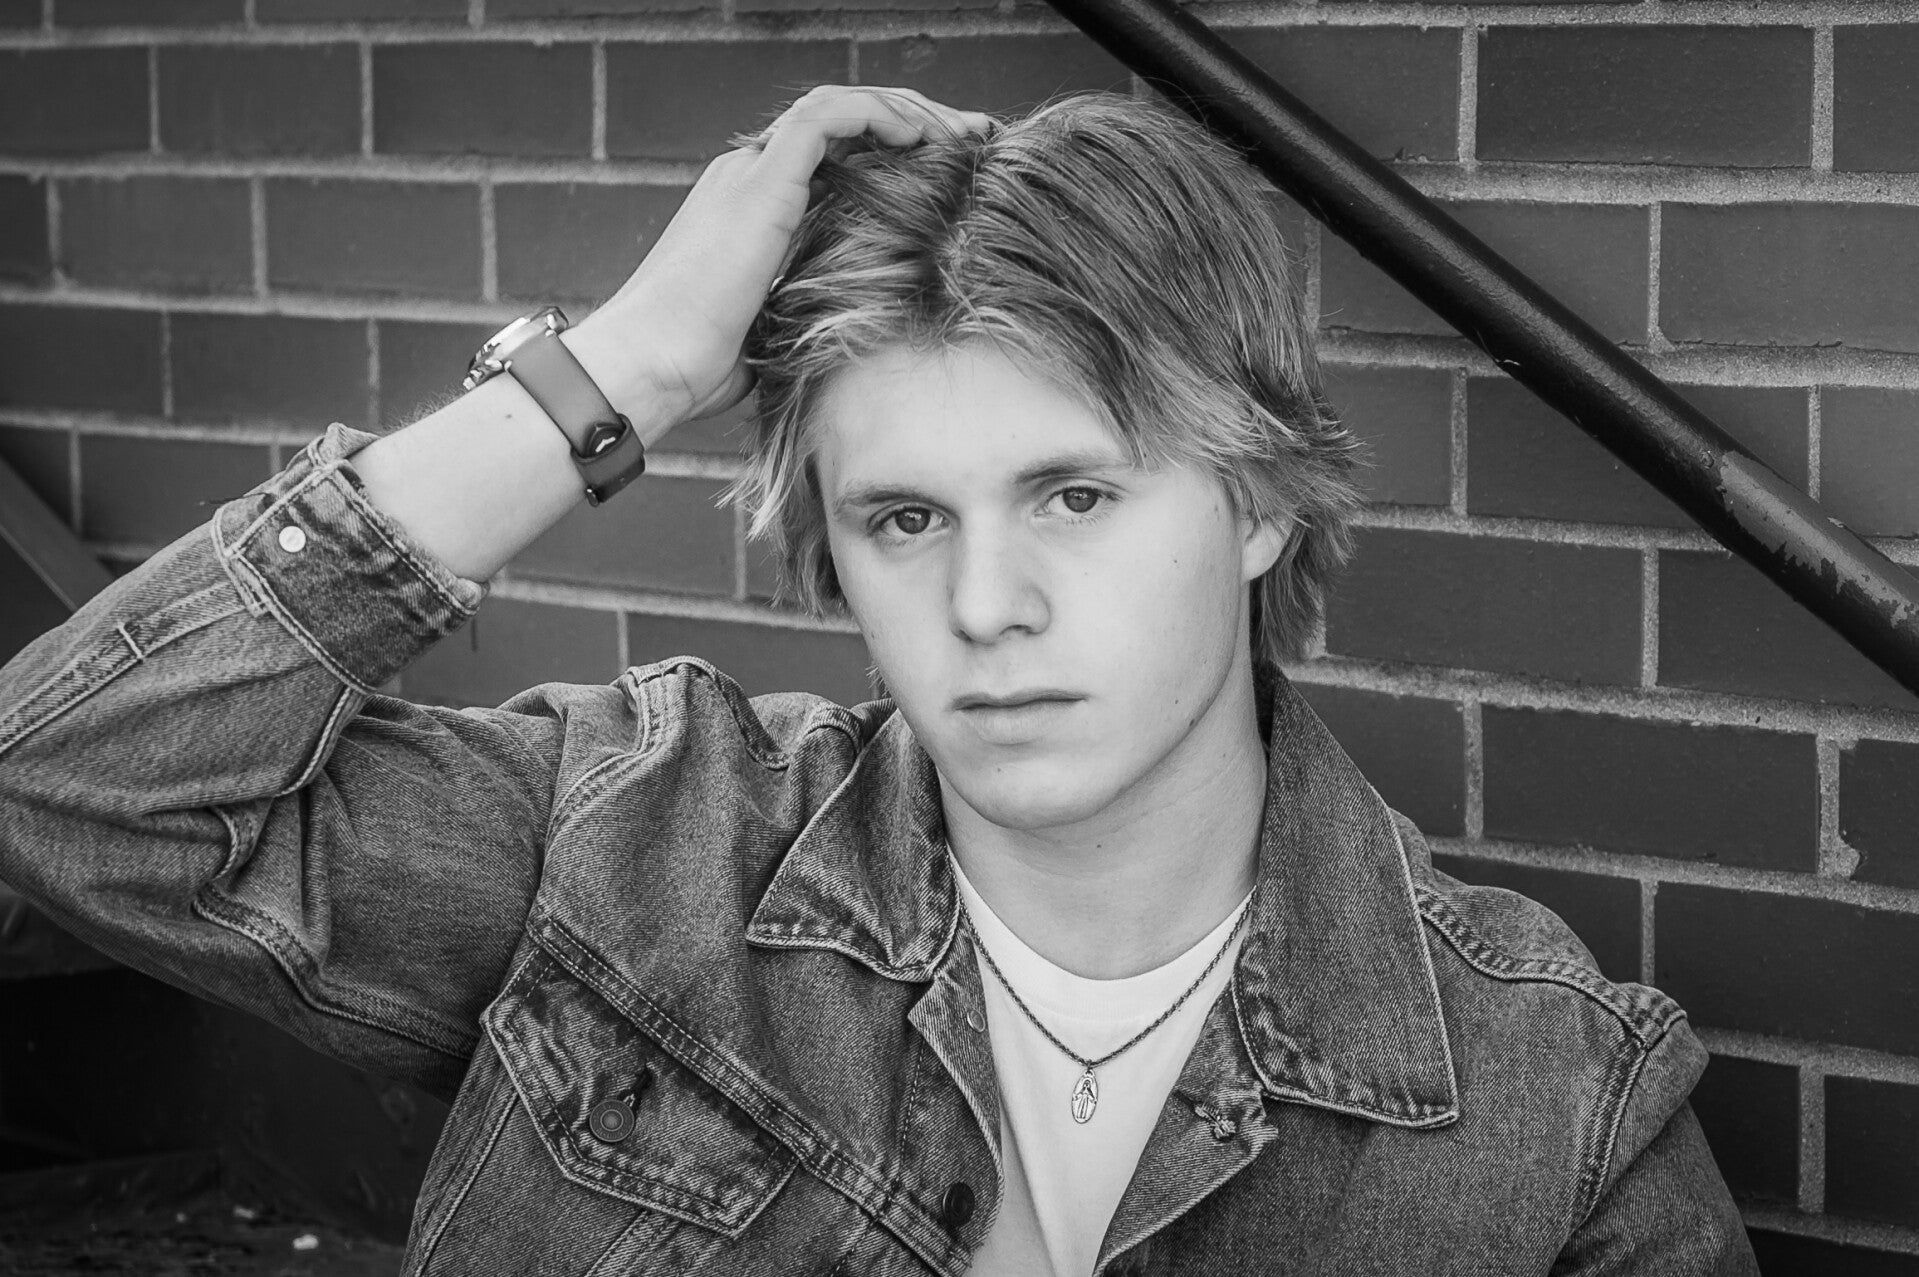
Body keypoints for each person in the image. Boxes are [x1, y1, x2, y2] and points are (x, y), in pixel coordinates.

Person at [0, 84, 1755, 1275]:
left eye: (1076, 491)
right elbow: (74, 781)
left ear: (1257, 506)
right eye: (904, 516)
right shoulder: (636, 842)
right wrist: (629, 367)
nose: (987, 601)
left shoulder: (1556, 1110)